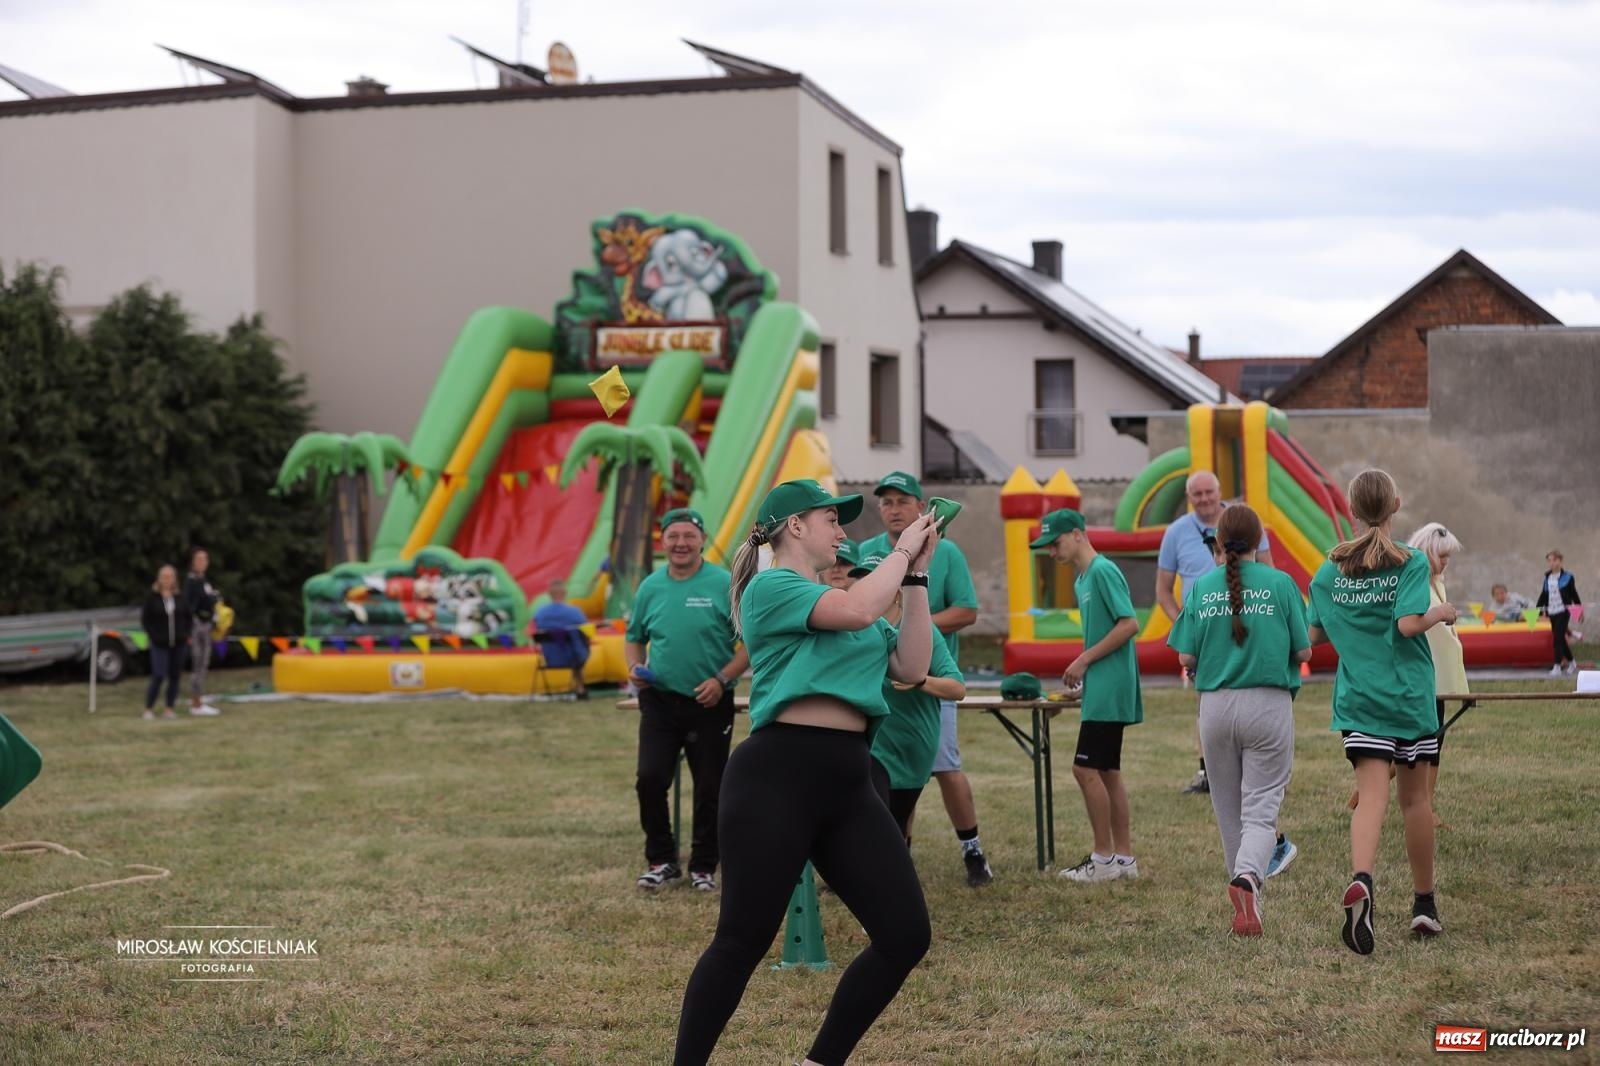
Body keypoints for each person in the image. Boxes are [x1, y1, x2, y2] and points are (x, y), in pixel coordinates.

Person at [674, 480, 937, 1066]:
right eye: (831, 519)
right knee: (741, 941)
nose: (843, 531)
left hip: (848, 778)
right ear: (795, 525)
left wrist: (916, 576)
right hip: (778, 775)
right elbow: (859, 607)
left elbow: (913, 666)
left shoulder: (851, 602)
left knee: (904, 936)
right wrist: (898, 552)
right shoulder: (773, 587)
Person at [1307, 469, 1455, 954]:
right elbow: (1409, 624)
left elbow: (1313, 637)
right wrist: (1440, 613)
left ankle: (1363, 879)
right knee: (1415, 803)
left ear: (1352, 510)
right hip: (1409, 698)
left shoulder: (1328, 572)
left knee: (1371, 799)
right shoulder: (1411, 562)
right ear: (1395, 504)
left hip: (1359, 702)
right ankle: (1424, 905)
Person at [1167, 504, 1311, 935]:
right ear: (1258, 541)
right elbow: (1304, 652)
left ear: (1218, 543)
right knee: (1261, 809)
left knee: (1228, 811)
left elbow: (1185, 655)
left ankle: (1247, 898)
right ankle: (1249, 877)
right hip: (1267, 704)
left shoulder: (1201, 587)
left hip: (1214, 707)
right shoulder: (1281, 584)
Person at [856, 472, 990, 886]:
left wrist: (911, 627)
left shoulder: (943, 552)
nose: (894, 509)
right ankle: (896, 856)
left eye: (902, 501)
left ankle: (973, 852)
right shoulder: (866, 552)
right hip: (877, 687)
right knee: (886, 778)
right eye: (886, 502)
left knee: (944, 766)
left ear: (921, 508)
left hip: (929, 677)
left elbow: (966, 611)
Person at [624, 509, 749, 893]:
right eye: (673, 536)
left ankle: (703, 866)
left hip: (711, 702)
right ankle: (661, 860)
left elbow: (751, 644)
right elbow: (634, 637)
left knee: (711, 785)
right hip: (660, 702)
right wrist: (635, 668)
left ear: (701, 539)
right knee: (650, 780)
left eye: (688, 536)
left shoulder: (723, 583)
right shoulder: (650, 586)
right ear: (663, 542)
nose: (680, 543)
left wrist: (722, 679)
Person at [1033, 509, 1143, 884]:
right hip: (1100, 687)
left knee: (1084, 769)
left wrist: (1083, 660)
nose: (1052, 551)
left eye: (1056, 542)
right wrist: (1082, 682)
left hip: (1111, 690)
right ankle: (1124, 861)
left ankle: (1103, 860)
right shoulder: (1083, 581)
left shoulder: (1102, 571)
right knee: (1108, 772)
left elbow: (1129, 624)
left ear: (1078, 534)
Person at [1155, 471, 1272, 795]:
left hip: (1246, 625)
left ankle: (1254, 771)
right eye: (1197, 494)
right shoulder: (1177, 532)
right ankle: (1210, 772)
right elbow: (1163, 590)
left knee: (1250, 693)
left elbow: (1267, 572)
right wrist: (1184, 624)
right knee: (1207, 701)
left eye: (1209, 492)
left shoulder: (1244, 522)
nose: (1204, 499)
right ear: (1188, 497)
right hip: (1205, 631)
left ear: (1221, 492)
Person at [855, 552, 967, 844]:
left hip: (911, 748)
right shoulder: (858, 631)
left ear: (894, 591)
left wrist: (920, 680)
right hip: (871, 748)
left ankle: (892, 872)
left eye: (870, 581)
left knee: (894, 826)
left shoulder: (923, 632)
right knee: (871, 821)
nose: (863, 588)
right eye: (860, 582)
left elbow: (957, 688)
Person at [1407, 522, 1466, 828]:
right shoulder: (1415, 581)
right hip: (1420, 676)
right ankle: (1418, 806)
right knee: (1422, 741)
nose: (1446, 563)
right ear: (1427, 551)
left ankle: (1427, 806)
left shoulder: (1435, 582)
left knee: (1435, 741)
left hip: (1437, 678)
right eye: (1442, 556)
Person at [140, 565, 192, 721]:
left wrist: (186, 634)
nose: (167, 579)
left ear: (175, 579)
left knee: (175, 676)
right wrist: (154, 636)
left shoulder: (180, 597)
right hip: (159, 643)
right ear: (159, 578)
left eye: (170, 576)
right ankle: (148, 708)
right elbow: (146, 620)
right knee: (159, 674)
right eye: (164, 576)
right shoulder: (152, 597)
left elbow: (188, 617)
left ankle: (169, 708)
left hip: (179, 643)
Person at [534, 579, 592, 697]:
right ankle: (580, 686)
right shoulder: (574, 612)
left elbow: (537, 629)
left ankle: (579, 686)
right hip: (572, 657)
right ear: (565, 593)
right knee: (581, 645)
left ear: (549, 594)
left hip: (550, 658)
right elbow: (587, 632)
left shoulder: (540, 613)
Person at [181, 548, 221, 716]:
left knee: (204, 663)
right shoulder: (191, 581)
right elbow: (189, 606)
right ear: (193, 562)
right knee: (198, 664)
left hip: (206, 626)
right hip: (196, 627)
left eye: (205, 559)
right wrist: (187, 632)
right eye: (199, 559)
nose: (202, 562)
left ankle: (198, 699)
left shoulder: (204, 580)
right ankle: (196, 704)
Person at [1536, 550, 1583, 677]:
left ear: (1560, 561)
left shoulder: (1568, 577)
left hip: (1564, 610)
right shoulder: (1547, 577)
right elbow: (1544, 594)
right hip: (1552, 611)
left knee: (1557, 638)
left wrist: (1579, 609)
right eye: (1549, 560)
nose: (1552, 563)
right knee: (1560, 638)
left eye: (1554, 560)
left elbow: (1574, 593)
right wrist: (1538, 610)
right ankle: (1572, 663)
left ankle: (1557, 666)